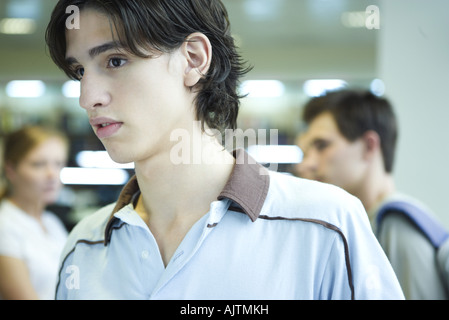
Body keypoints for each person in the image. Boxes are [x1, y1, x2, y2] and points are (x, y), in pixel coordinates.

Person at [46, 0, 404, 300]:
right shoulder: (84, 246)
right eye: (79, 71)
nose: (87, 97)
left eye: (115, 61)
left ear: (193, 59)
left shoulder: (324, 225)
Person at [296, 89, 448, 299]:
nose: (306, 164)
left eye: (322, 146)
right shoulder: (368, 223)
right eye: (305, 152)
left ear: (369, 146)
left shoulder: (395, 224)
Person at [0, 126, 69, 300]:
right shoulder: (5, 227)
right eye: (38, 164)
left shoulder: (52, 222)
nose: (52, 174)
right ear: (11, 170)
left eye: (58, 164)